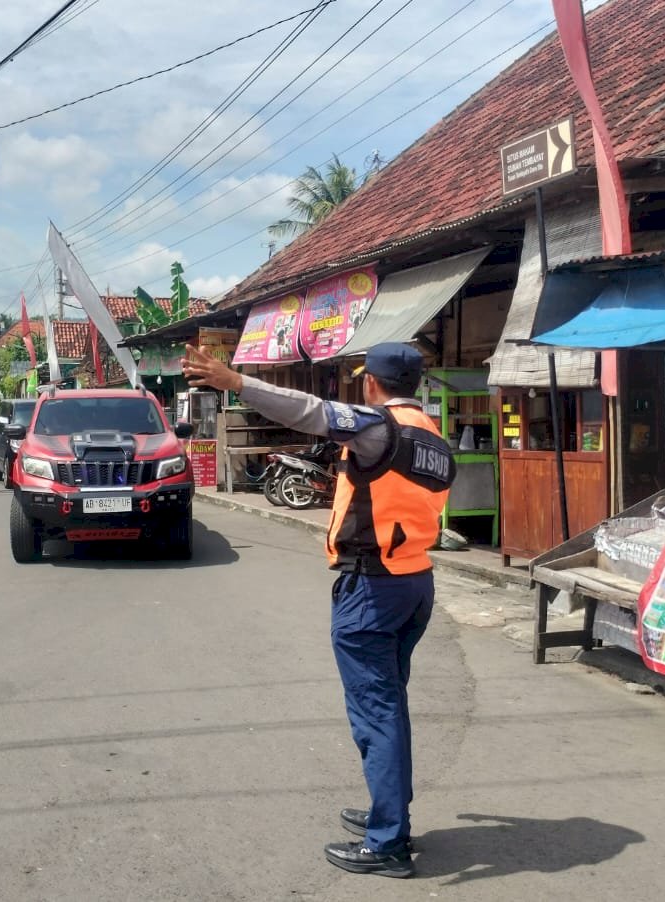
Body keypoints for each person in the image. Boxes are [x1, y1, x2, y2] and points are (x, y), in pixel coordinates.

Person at [182, 341, 452, 879]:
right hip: (415, 582)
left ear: (372, 382)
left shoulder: (378, 426)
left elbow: (311, 411)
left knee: (376, 713)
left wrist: (235, 382)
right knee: (389, 706)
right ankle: (391, 813)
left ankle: (388, 843)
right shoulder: (434, 437)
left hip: (373, 588)